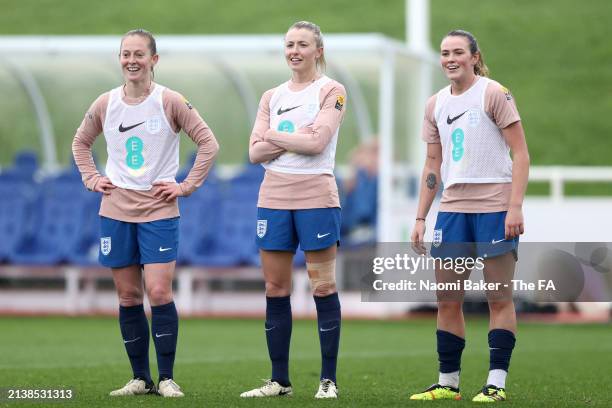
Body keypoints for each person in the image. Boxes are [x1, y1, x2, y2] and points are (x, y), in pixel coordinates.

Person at [72, 29, 219, 398]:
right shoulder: (105, 103)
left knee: (158, 290)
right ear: (119, 59)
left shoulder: (170, 100)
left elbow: (208, 143)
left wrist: (185, 186)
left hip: (159, 211)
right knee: (127, 296)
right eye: (125, 54)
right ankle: (140, 378)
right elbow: (80, 142)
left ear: (154, 60)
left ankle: (167, 377)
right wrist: (91, 177)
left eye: (139, 54)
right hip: (116, 210)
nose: (132, 60)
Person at [409, 29, 530, 402]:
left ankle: (496, 383)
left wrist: (514, 206)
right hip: (453, 211)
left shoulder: (494, 93)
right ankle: (448, 383)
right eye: (445, 52)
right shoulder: (434, 105)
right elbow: (433, 163)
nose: (450, 58)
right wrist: (420, 217)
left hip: (495, 207)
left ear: (475, 57)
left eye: (458, 52)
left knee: (498, 298)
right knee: (447, 299)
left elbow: (521, 154)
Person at [240, 21, 347, 399]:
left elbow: (317, 143)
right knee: (275, 287)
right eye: (289, 44)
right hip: (273, 199)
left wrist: (271, 136)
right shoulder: (271, 96)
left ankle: (328, 380)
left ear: (318, 50)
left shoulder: (331, 90)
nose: (295, 51)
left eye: (303, 44)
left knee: (323, 286)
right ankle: (279, 381)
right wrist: (291, 139)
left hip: (316, 196)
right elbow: (254, 154)